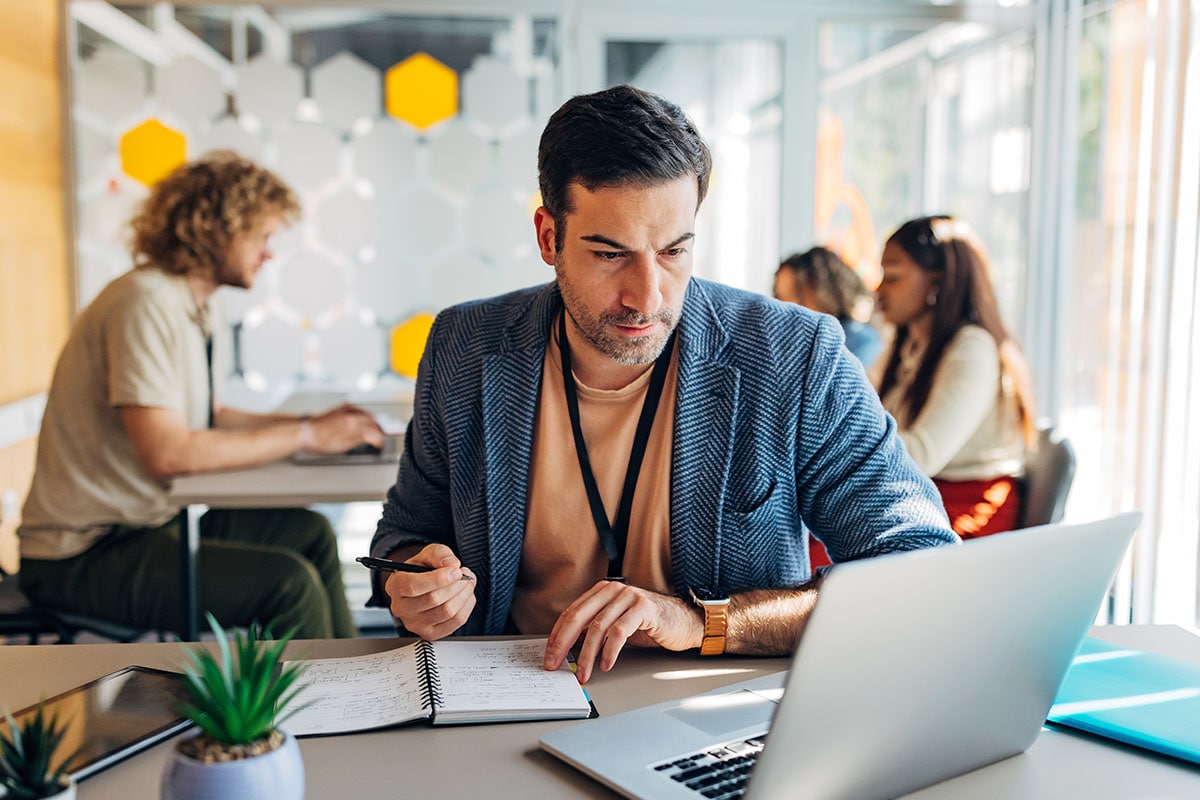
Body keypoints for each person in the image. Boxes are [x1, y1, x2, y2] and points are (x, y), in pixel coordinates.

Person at [368, 85, 957, 684]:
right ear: (549, 238)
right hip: (508, 696)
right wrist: (411, 580)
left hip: (711, 707)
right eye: (609, 254)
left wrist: (703, 623)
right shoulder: (464, 346)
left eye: (674, 250)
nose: (647, 297)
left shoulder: (795, 356)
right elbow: (404, 535)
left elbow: (920, 569)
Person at [17, 151, 384, 639]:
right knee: (287, 585)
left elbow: (206, 415)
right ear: (217, 228)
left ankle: (359, 693)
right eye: (262, 236)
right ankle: (325, 712)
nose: (269, 253)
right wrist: (306, 435)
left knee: (308, 533)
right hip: (84, 552)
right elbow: (169, 452)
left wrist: (318, 426)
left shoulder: (190, 306)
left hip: (149, 526)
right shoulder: (144, 304)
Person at [872, 214, 1036, 539]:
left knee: (817, 557)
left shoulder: (972, 348)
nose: (879, 289)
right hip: (921, 497)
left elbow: (921, 456)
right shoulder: (906, 342)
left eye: (892, 276)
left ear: (936, 282)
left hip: (967, 510)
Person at [774, 246, 883, 367]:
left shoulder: (859, 342)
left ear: (824, 291)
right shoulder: (783, 344)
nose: (788, 307)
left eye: (798, 295)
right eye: (779, 299)